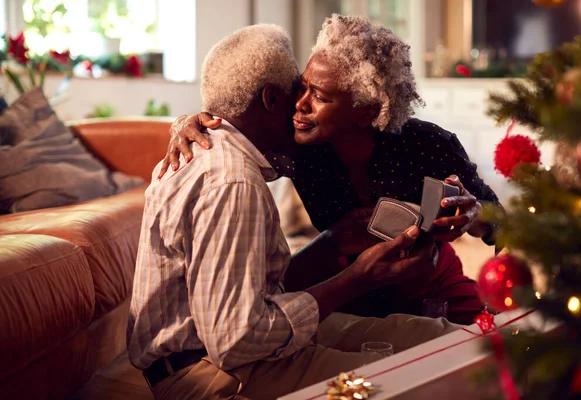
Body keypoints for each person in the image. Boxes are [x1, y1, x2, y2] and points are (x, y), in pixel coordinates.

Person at [128, 24, 459, 400]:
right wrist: (356, 278)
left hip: (233, 349)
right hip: (212, 375)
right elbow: (235, 341)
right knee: (412, 378)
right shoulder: (233, 180)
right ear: (272, 98)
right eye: (298, 89)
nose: (302, 104)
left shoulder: (211, 151)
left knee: (433, 339)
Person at [160, 15, 502, 325]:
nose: (299, 104)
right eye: (302, 87)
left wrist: (473, 215)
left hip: (430, 284)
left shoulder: (428, 144)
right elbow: (237, 135)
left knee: (490, 351)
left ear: (367, 111)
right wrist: (188, 122)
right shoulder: (299, 149)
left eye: (320, 96)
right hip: (347, 291)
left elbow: (502, 227)